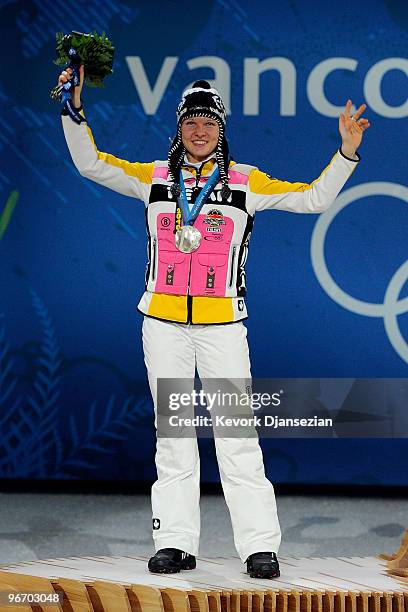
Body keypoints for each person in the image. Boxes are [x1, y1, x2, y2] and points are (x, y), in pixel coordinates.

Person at [58, 64, 370, 578]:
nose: (199, 130)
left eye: (209, 122)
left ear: (221, 130)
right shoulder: (154, 177)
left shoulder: (247, 183)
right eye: (191, 121)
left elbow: (315, 198)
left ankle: (258, 547)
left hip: (223, 325)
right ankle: (176, 543)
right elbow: (90, 163)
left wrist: (346, 151)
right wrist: (73, 110)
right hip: (162, 323)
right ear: (179, 128)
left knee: (237, 434)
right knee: (173, 436)